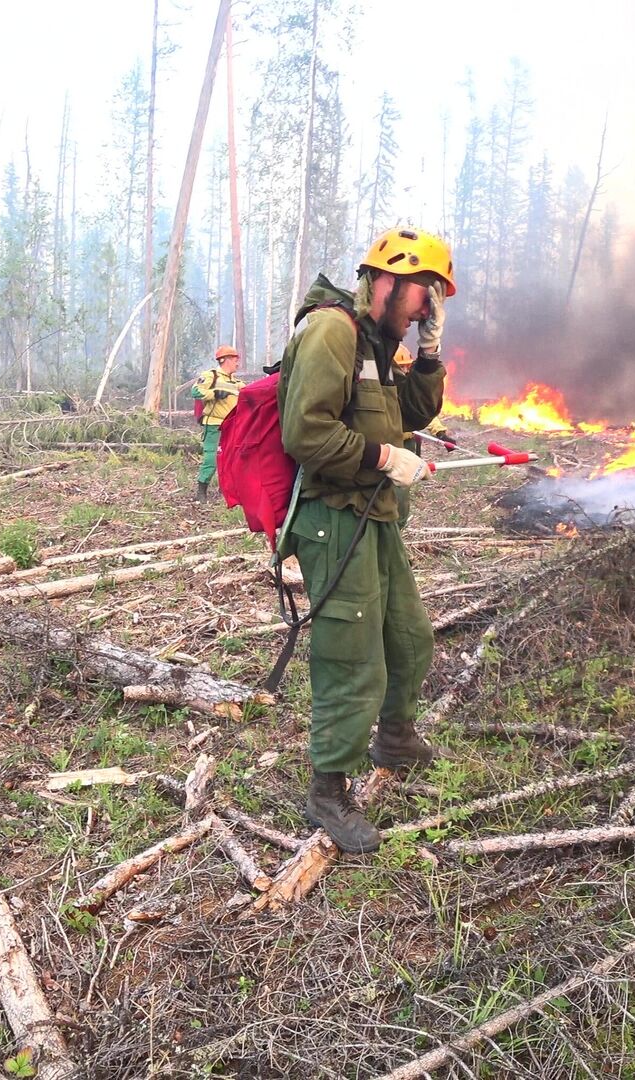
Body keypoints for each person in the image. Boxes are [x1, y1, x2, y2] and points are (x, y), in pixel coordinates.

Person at [275, 227, 454, 854]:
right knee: (353, 657)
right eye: (423, 295)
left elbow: (410, 415)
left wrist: (428, 358)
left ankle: (395, 737)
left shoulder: (378, 344)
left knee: (409, 636)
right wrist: (383, 457)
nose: (427, 308)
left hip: (374, 516)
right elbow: (306, 434)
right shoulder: (333, 331)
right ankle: (328, 789)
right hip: (334, 518)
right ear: (389, 280)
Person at [193, 345, 245, 499]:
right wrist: (214, 393)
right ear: (226, 360)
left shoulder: (237, 382)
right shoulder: (211, 376)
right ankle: (201, 491)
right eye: (235, 359)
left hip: (232, 426)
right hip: (214, 425)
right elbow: (195, 391)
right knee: (211, 459)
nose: (237, 363)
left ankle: (226, 490)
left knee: (230, 458)